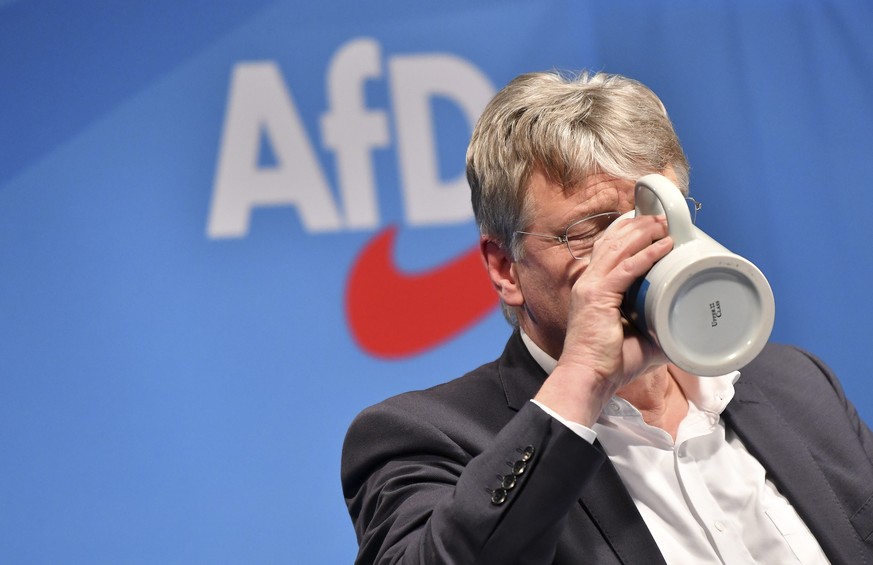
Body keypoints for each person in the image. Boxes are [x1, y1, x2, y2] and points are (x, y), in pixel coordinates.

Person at [341, 70, 873, 564]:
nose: (640, 252)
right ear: (506, 269)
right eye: (591, 231)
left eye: (656, 216)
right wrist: (584, 381)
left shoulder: (797, 384)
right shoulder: (422, 436)